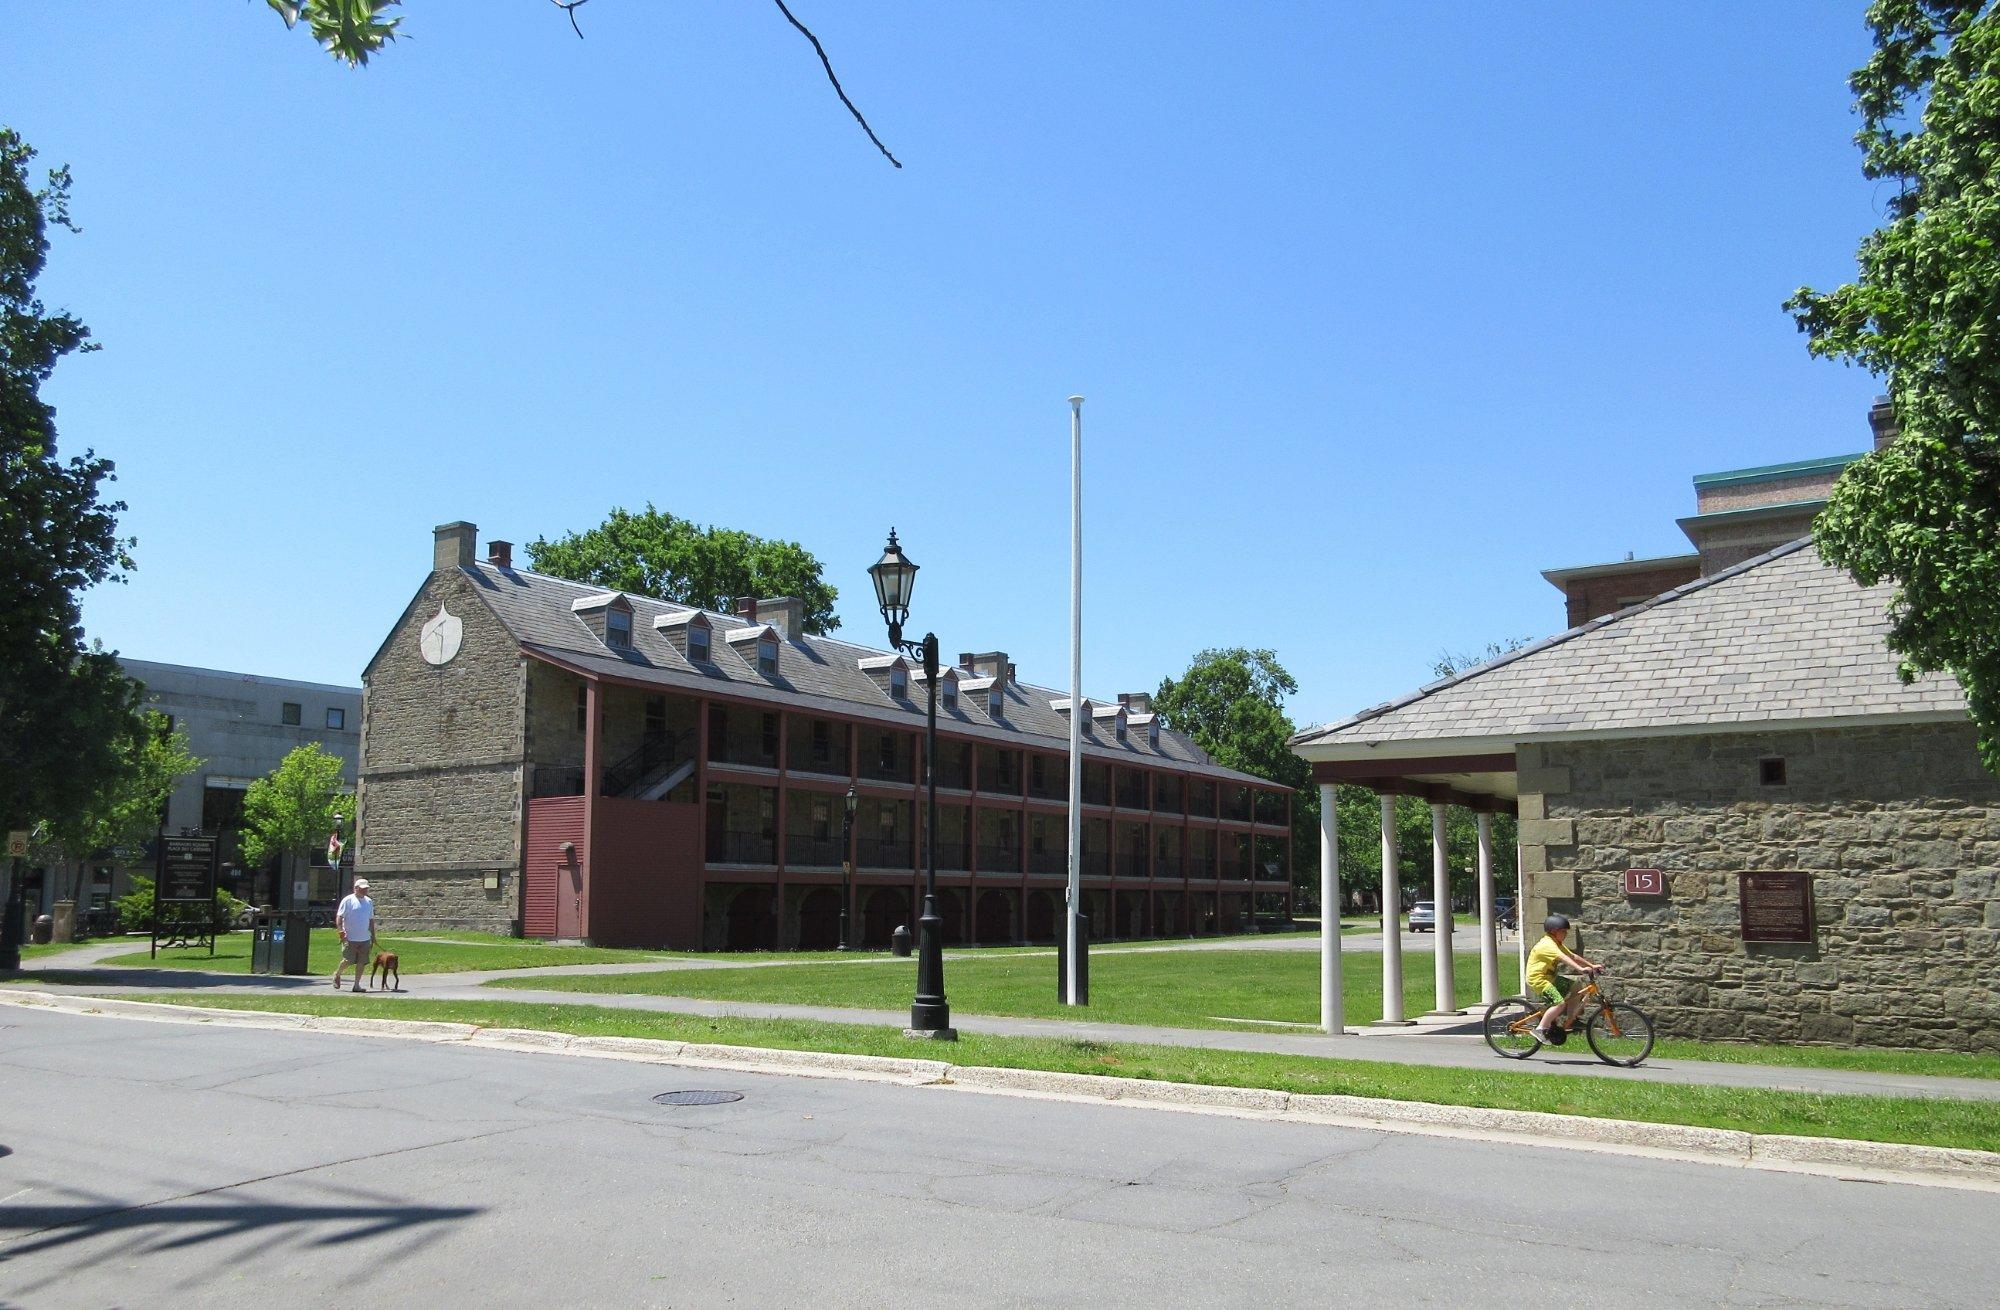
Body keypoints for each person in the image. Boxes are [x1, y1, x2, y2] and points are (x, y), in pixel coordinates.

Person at [1527, 912, 1601, 1043]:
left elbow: (1572, 956)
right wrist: (1580, 969)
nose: (1565, 934)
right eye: (1563, 932)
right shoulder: (1547, 944)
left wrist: (1592, 965)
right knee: (1559, 1003)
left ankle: (1571, 1019)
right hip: (1539, 980)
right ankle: (1540, 1028)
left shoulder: (1557, 943)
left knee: (1576, 986)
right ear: (1554, 931)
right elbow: (1563, 958)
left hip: (1550, 978)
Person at [331, 878, 375, 993]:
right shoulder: (348, 900)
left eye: (366, 888)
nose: (365, 890)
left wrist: (373, 936)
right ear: (356, 888)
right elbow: (339, 917)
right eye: (363, 888)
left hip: (364, 938)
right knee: (348, 960)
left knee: (362, 962)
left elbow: (371, 920)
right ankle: (337, 974)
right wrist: (341, 932)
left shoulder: (369, 901)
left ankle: (356, 985)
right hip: (350, 938)